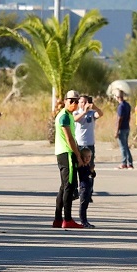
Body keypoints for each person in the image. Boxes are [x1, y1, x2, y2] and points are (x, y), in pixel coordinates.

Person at [53, 90, 84, 229]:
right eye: (71, 101)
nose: (74, 103)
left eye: (77, 101)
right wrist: (78, 155)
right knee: (69, 187)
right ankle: (67, 219)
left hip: (63, 153)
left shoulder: (70, 116)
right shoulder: (64, 116)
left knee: (63, 187)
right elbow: (69, 138)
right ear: (65, 101)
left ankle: (58, 219)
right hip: (67, 153)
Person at [74, 95, 103, 166]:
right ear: (78, 103)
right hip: (79, 143)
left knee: (90, 165)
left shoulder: (92, 113)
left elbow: (100, 114)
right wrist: (84, 112)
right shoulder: (76, 113)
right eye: (82, 102)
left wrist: (95, 107)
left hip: (89, 143)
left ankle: (89, 177)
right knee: (80, 164)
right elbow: (75, 119)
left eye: (85, 102)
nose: (83, 104)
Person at [77, 147, 96, 228]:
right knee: (83, 206)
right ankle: (83, 221)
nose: (87, 158)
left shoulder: (88, 166)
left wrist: (92, 171)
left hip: (89, 188)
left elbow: (93, 175)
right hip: (84, 188)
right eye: (85, 156)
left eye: (89, 156)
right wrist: (89, 170)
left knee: (86, 205)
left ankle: (85, 221)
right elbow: (83, 176)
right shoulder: (82, 166)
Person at [115, 89, 133, 169]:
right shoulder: (127, 105)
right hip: (126, 127)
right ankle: (130, 162)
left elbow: (119, 119)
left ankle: (124, 162)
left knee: (122, 146)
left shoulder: (120, 106)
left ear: (118, 97)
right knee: (126, 145)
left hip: (122, 128)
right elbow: (129, 117)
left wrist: (117, 130)